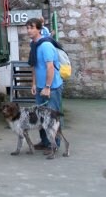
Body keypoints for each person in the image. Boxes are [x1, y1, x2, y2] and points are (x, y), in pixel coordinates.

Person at [26, 17, 63, 153]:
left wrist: (47, 87)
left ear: (39, 29)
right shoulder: (34, 45)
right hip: (41, 86)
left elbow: (50, 68)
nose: (29, 30)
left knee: (52, 117)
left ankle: (55, 145)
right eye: (28, 28)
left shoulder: (46, 45)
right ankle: (45, 142)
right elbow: (35, 66)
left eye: (32, 27)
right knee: (40, 117)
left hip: (51, 87)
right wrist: (34, 84)